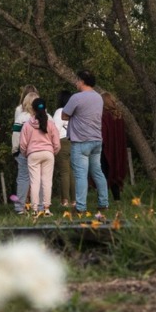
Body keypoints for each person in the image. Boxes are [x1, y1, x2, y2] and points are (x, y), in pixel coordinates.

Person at [61, 70, 110, 215]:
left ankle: (81, 207)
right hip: (96, 140)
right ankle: (104, 203)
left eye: (77, 80)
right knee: (98, 172)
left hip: (81, 141)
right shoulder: (99, 98)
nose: (76, 82)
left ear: (82, 81)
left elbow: (64, 115)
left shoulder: (76, 97)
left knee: (81, 175)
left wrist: (76, 116)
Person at [20, 100, 61, 215]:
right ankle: (46, 209)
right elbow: (57, 143)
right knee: (47, 181)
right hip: (48, 153)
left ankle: (34, 209)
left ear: (32, 109)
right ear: (45, 109)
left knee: (34, 182)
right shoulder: (50, 124)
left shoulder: (27, 125)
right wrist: (53, 152)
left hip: (33, 154)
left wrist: (26, 153)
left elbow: (22, 144)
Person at [11, 87, 38, 213]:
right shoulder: (45, 116)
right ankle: (40, 206)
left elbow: (16, 135)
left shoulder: (21, 117)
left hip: (24, 150)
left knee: (22, 178)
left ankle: (20, 207)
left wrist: (15, 150)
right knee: (40, 178)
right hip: (40, 150)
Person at [102, 91, 131, 200]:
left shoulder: (104, 116)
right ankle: (117, 198)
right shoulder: (118, 116)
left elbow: (103, 133)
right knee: (115, 170)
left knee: (104, 172)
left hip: (106, 148)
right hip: (117, 149)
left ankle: (103, 199)